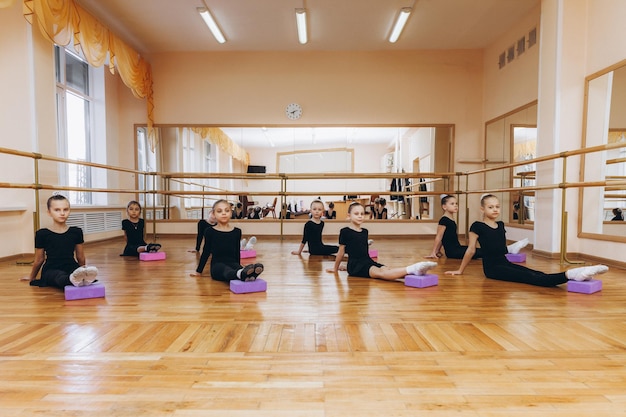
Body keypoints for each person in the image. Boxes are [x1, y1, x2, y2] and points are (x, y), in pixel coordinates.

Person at [444, 194, 609, 287]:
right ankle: (571, 274)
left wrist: (508, 250)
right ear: (482, 209)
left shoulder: (500, 225)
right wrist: (460, 270)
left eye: (497, 206)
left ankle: (573, 275)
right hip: (493, 269)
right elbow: (471, 250)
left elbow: (499, 247)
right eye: (490, 207)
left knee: (535, 272)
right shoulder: (477, 226)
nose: (495, 209)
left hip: (504, 262)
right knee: (532, 279)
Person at [326, 202, 437, 280]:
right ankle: (413, 268)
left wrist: (344, 266)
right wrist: (336, 268)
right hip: (356, 266)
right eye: (356, 214)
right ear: (349, 216)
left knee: (386, 269)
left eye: (362, 213)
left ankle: (415, 272)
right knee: (381, 273)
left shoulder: (364, 231)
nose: (360, 216)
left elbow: (361, 251)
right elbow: (341, 252)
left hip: (367, 261)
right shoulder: (345, 231)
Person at [21, 193, 98, 289]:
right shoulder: (42, 234)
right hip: (51, 269)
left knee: (73, 272)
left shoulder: (76, 232)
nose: (62, 213)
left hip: (71, 266)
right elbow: (39, 259)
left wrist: (84, 272)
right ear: (49, 212)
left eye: (65, 209)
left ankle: (79, 279)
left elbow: (80, 257)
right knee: (58, 276)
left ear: (69, 211)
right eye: (57, 210)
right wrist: (31, 277)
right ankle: (70, 280)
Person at [426, 194, 528, 259]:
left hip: (457, 248)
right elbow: (439, 237)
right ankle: (509, 249)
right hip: (453, 252)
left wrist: (438, 251)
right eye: (452, 204)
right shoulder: (444, 220)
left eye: (456, 203)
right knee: (483, 252)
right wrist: (433, 252)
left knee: (477, 250)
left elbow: (444, 237)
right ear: (444, 207)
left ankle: (507, 250)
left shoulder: (450, 219)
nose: (455, 205)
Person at [190, 199, 264, 282]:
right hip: (217, 266)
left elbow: (236, 252)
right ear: (214, 214)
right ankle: (240, 274)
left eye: (227, 210)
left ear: (231, 213)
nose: (224, 213)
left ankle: (246, 274)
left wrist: (239, 265)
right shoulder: (210, 231)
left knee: (238, 268)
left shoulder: (237, 231)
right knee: (225, 270)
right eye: (219, 211)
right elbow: (206, 252)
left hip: (233, 263)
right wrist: (198, 271)